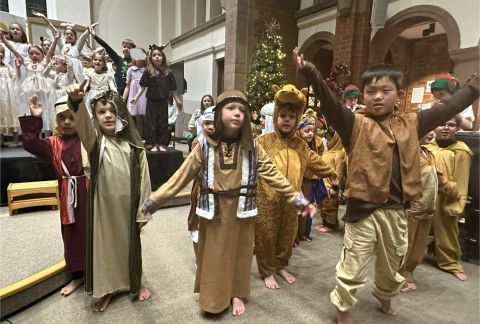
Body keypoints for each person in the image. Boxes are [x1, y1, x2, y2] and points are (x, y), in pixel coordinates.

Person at [293, 47, 479, 324]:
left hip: (395, 211)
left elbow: (449, 107)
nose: (377, 96)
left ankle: (385, 297)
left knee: (392, 263)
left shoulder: (412, 122)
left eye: (385, 90)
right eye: (371, 91)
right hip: (361, 211)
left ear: (399, 95)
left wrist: (475, 85)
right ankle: (343, 309)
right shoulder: (353, 123)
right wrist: (310, 72)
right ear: (363, 96)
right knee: (353, 264)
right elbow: (329, 102)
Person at [139, 90, 317, 316]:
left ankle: (236, 293)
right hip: (214, 212)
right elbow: (180, 177)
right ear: (218, 112)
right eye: (231, 108)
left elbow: (274, 176)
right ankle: (214, 298)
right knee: (215, 255)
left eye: (242, 110)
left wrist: (298, 199)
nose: (237, 114)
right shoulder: (203, 147)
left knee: (240, 254)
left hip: (242, 210)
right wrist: (154, 200)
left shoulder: (253, 147)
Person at [66, 81, 152, 312]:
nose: (108, 116)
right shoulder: (96, 143)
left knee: (130, 245)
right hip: (103, 208)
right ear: (95, 116)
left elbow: (144, 178)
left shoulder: (134, 146)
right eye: (102, 112)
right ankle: (107, 289)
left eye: (113, 111)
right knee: (105, 248)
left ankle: (135, 283)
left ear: (122, 113)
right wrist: (76, 102)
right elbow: (82, 125)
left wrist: (144, 210)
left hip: (128, 206)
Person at [254, 84, 336, 289]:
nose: (287, 119)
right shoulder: (263, 141)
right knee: (266, 235)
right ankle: (266, 271)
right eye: (282, 115)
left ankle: (280, 264)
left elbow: (316, 161)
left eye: (292, 116)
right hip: (266, 199)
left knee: (287, 234)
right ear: (275, 117)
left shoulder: (300, 145)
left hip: (293, 200)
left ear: (297, 119)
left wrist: (332, 173)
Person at [19, 95, 88, 296]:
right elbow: (31, 144)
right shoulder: (53, 143)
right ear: (55, 120)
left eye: (71, 117)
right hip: (68, 193)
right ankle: (77, 275)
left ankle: (95, 270)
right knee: (72, 233)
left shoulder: (87, 139)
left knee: (92, 230)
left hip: (89, 189)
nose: (67, 122)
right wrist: (35, 118)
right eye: (61, 118)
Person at [400, 131, 458, 292]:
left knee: (420, 243)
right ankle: (401, 272)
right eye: (428, 129)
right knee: (406, 242)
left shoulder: (427, 153)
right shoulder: (405, 153)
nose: (432, 133)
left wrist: (451, 189)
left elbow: (438, 176)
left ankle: (410, 269)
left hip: (428, 208)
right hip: (411, 208)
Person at [426, 115, 473, 281]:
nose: (445, 128)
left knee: (447, 229)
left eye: (451, 125)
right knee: (417, 230)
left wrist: (457, 204)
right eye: (441, 124)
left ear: (458, 129)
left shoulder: (461, 151)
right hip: (425, 194)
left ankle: (450, 262)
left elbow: (461, 180)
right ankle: (411, 260)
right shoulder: (427, 147)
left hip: (447, 197)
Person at [1, 31, 58, 131]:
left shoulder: (44, 62)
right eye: (31, 54)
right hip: (31, 88)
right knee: (33, 107)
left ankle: (47, 131)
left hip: (43, 88)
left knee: (44, 107)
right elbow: (15, 51)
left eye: (37, 53)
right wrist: (4, 40)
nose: (34, 56)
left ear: (42, 55)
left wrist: (55, 39)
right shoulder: (27, 63)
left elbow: (50, 52)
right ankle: (36, 132)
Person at [131, 44, 183, 151]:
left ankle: (161, 144)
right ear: (151, 58)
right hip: (151, 102)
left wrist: (177, 100)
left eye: (159, 55)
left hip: (163, 102)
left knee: (162, 123)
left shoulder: (168, 72)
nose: (157, 57)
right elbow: (143, 86)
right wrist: (135, 98)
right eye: (154, 55)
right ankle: (152, 143)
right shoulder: (148, 71)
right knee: (151, 123)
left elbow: (172, 89)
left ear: (163, 57)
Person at [187, 106, 215, 264]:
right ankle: (200, 260)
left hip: (218, 191)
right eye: (207, 123)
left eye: (214, 123)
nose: (211, 127)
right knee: (197, 224)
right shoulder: (198, 143)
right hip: (201, 188)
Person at [89, 24, 134, 95]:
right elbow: (107, 47)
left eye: (129, 47)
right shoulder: (119, 60)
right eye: (124, 46)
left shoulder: (136, 62)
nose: (126, 49)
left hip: (131, 93)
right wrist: (95, 36)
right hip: (118, 92)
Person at [315, 130, 346, 233]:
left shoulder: (338, 154)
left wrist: (335, 188)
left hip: (330, 186)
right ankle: (326, 223)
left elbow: (340, 174)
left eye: (329, 139)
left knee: (330, 206)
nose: (327, 142)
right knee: (324, 206)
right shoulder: (328, 152)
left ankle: (330, 225)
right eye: (327, 139)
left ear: (337, 140)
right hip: (322, 185)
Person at [123, 49, 147, 138]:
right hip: (134, 96)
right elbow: (128, 86)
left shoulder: (147, 70)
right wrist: (123, 98)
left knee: (147, 118)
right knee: (138, 119)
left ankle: (149, 139)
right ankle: (140, 140)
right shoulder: (131, 70)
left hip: (145, 95)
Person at [0, 44, 20, 147]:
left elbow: (15, 77)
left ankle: (15, 139)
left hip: (7, 94)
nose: (0, 54)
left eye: (2, 52)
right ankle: (1, 140)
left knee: (11, 113)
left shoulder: (7, 67)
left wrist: (17, 68)